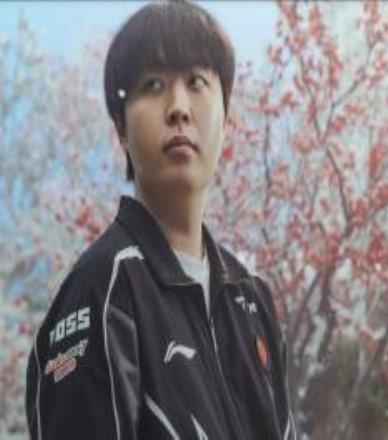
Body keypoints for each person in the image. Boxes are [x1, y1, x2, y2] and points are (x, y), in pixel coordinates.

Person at [25, 1, 296, 439]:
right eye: (153, 85)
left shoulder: (251, 297)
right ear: (121, 127)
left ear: (226, 118)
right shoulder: (102, 291)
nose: (178, 108)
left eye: (196, 82)